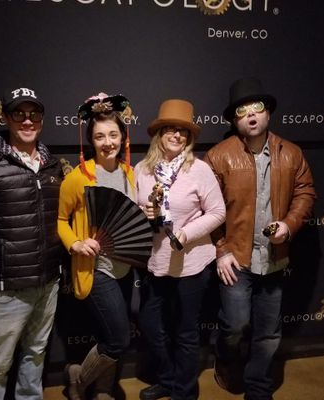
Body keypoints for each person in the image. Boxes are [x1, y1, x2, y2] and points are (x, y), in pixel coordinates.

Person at [203, 77, 316, 400]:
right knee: (235, 325)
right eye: (242, 111)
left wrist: (289, 225)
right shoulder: (218, 157)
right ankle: (226, 360)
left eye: (257, 107)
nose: (251, 115)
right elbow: (206, 208)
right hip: (235, 259)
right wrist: (221, 249)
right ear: (235, 120)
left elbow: (306, 192)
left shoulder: (291, 153)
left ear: (268, 112)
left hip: (274, 258)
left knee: (268, 333)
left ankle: (258, 386)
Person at [0, 87, 63, 399]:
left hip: (48, 283)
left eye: (34, 114)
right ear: (6, 118)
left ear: (42, 119)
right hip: (6, 291)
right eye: (19, 113)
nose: (27, 120)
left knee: (36, 355)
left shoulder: (52, 165)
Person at [135, 99, 226, 400]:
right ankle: (168, 379)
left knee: (186, 332)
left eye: (183, 131)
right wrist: (145, 214)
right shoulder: (142, 170)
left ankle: (184, 392)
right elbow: (136, 211)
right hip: (157, 261)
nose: (177, 135)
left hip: (192, 263)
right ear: (159, 134)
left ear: (189, 138)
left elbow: (218, 212)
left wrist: (187, 233)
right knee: (152, 325)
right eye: (170, 129)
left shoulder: (199, 170)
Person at [58, 92, 135, 400]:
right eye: (100, 136)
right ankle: (79, 380)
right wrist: (75, 244)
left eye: (113, 134)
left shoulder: (130, 173)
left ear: (123, 137)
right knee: (118, 339)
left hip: (126, 268)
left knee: (107, 334)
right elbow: (61, 220)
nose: (107, 142)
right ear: (91, 140)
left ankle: (104, 388)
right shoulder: (78, 177)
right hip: (96, 270)